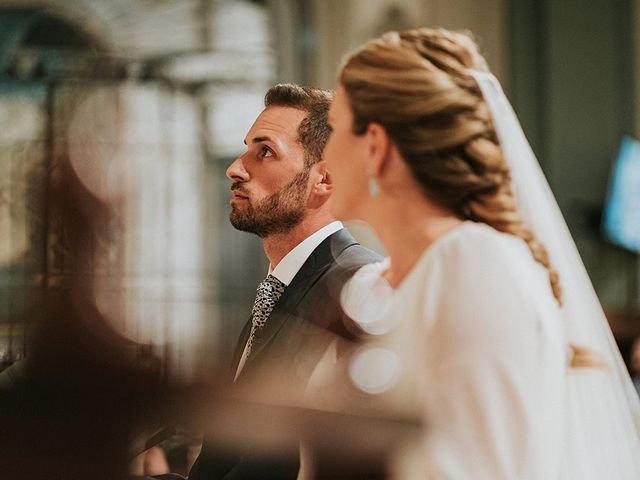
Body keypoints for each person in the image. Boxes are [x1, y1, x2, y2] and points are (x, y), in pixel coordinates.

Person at [323, 28, 640, 478]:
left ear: (375, 145)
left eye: (334, 129)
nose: (323, 154)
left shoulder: (473, 263)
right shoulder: (368, 284)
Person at [189, 84, 381, 480]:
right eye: (246, 149)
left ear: (323, 180)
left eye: (265, 152)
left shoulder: (356, 287)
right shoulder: (279, 287)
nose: (235, 168)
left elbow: (291, 459)